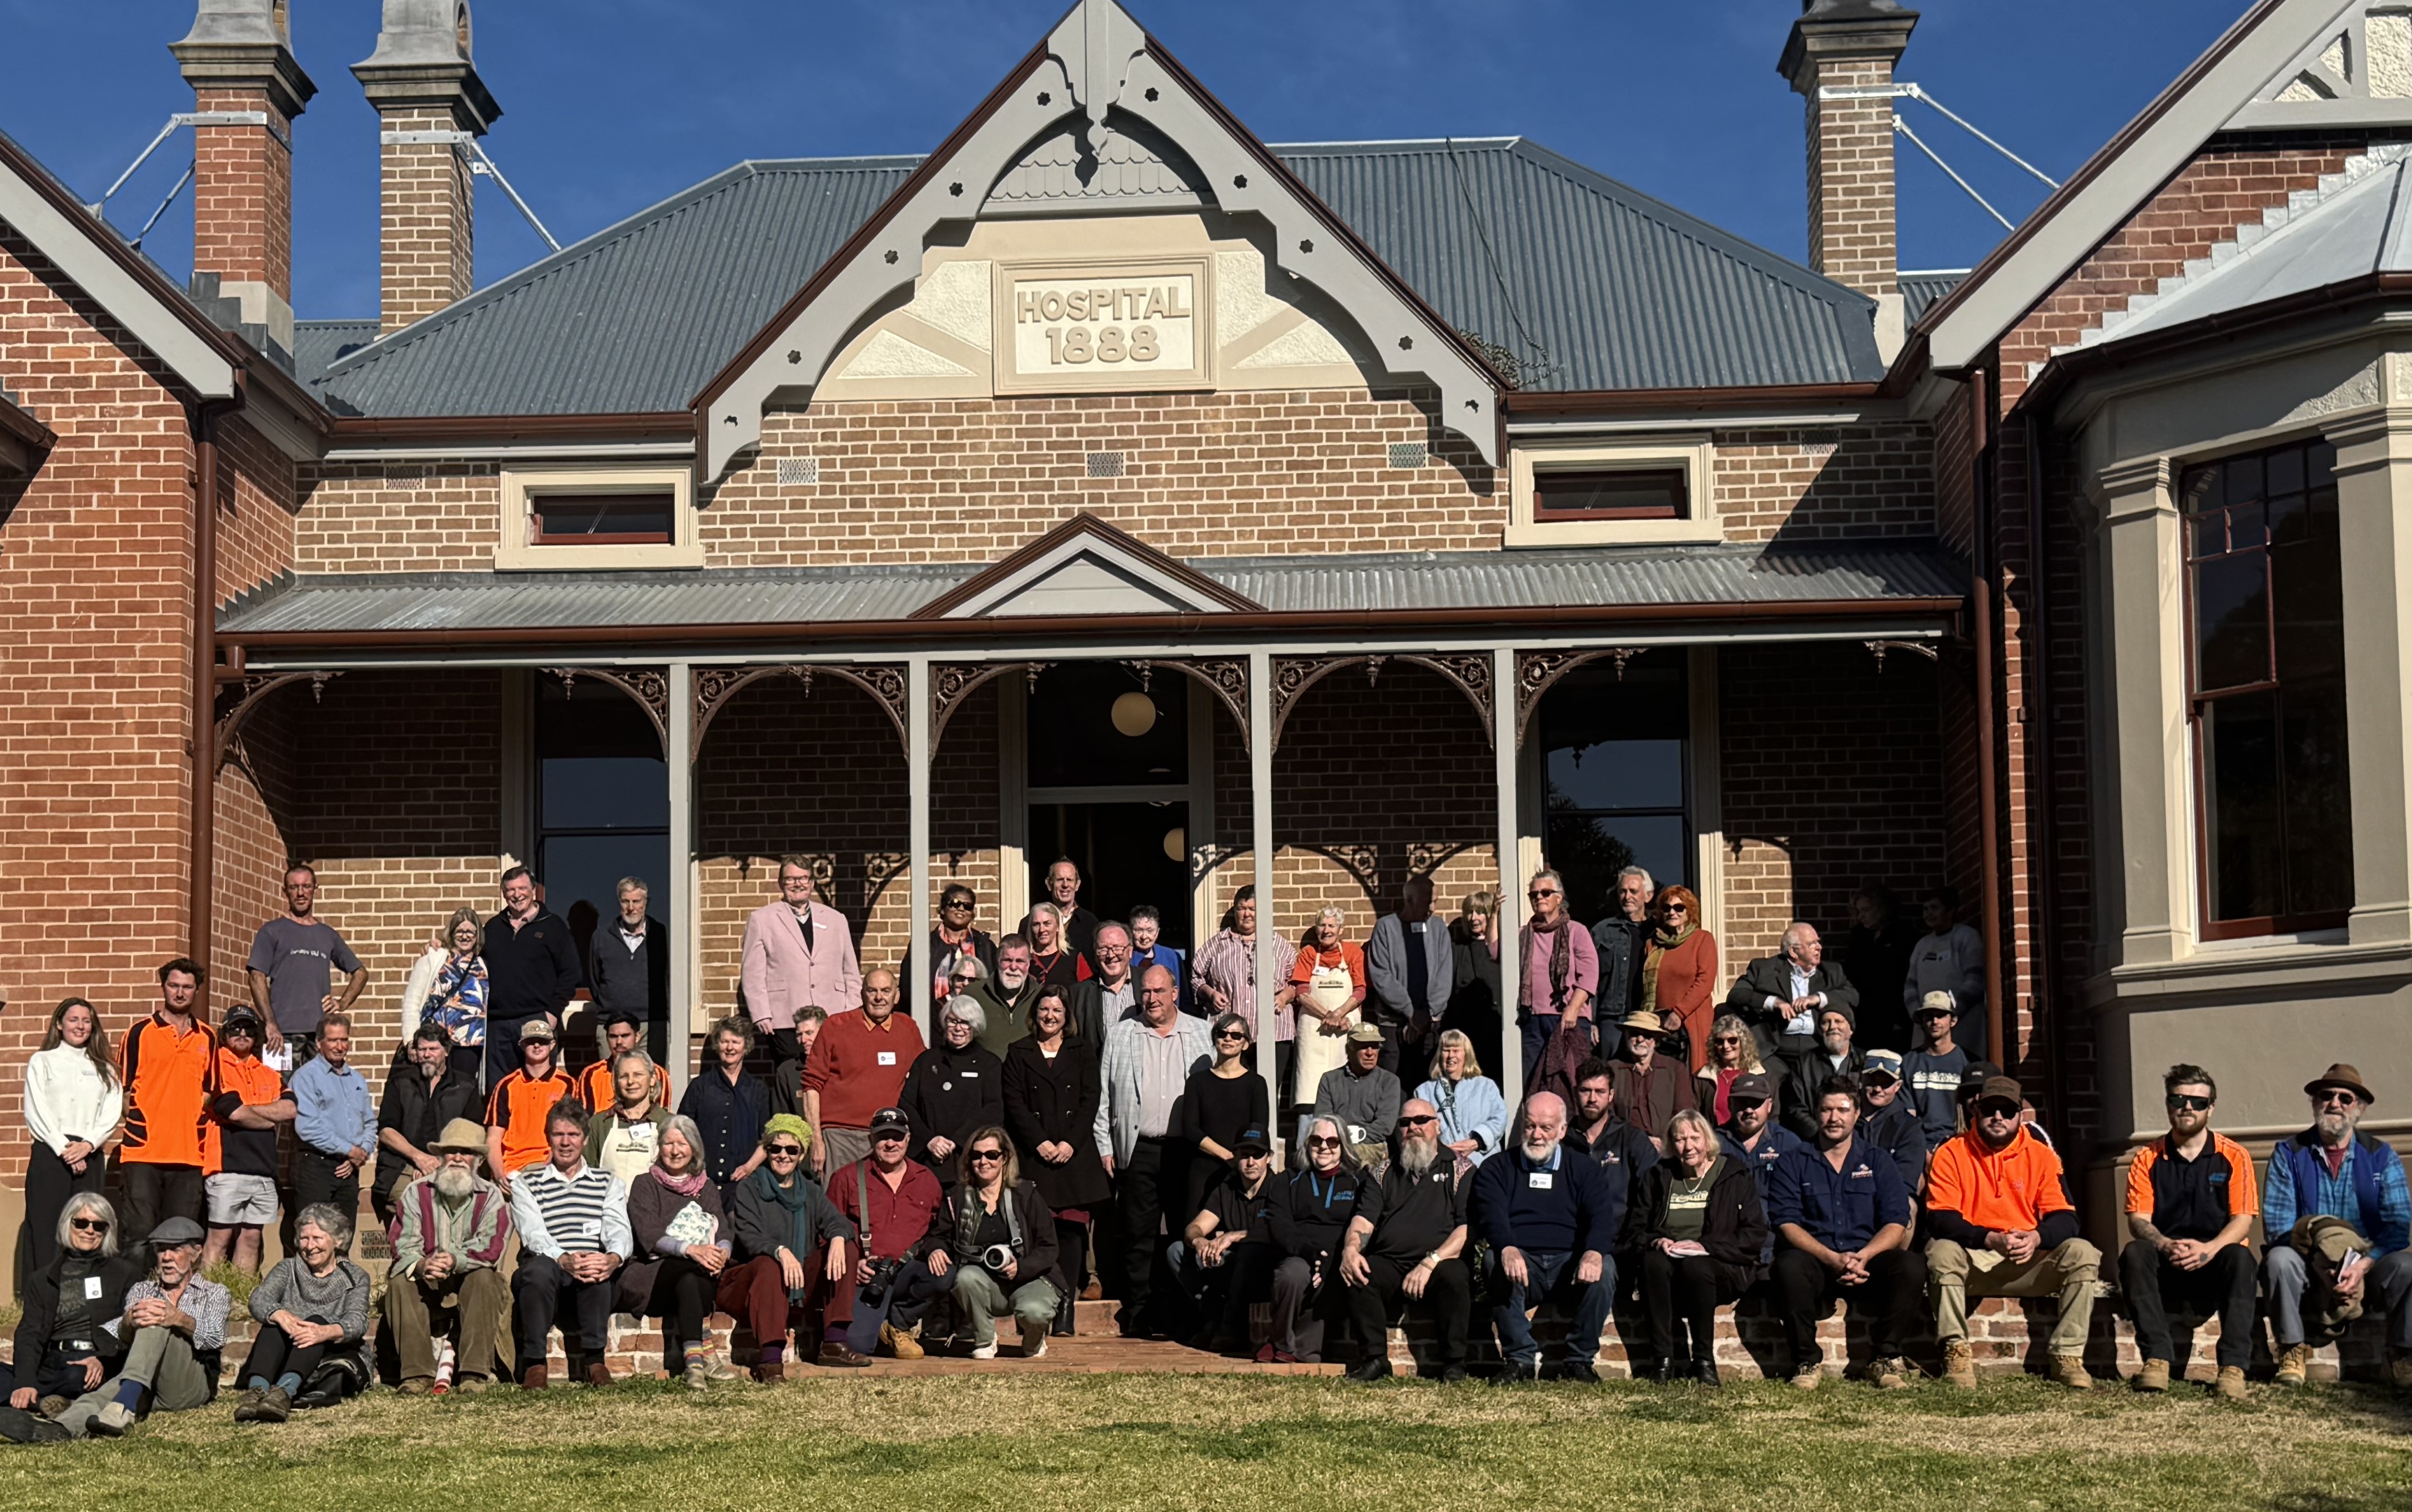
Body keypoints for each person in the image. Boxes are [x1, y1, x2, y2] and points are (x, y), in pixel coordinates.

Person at [1924, 1074, 2098, 1389]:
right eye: (1990, 1109)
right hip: (1974, 1258)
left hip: (2028, 1259)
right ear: (1976, 1111)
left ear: (2020, 1114)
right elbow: (1940, 1218)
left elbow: (2066, 1218)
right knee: (1941, 1252)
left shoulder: (2042, 1155)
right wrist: (1990, 1238)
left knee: (2082, 1252)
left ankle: (2067, 1356)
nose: (1998, 1117)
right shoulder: (1951, 1152)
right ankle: (1956, 1351)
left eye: (2007, 1110)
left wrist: (2037, 1238)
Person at [2260, 1062, 2412, 1389]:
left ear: (2360, 1108)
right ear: (2315, 1103)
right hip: (2307, 1265)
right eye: (2326, 1096)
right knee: (2278, 1260)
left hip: (2367, 1266)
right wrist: (2322, 1265)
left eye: (2346, 1098)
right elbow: (2278, 1228)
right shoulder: (2289, 1153)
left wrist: (2364, 1264)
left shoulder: (2381, 1156)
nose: (2335, 1104)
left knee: (2407, 1267)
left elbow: (2399, 1227)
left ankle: (2401, 1358)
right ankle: (2291, 1351)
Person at [1768, 1076, 1922, 1390]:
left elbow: (1896, 1220)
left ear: (1856, 1113)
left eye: (1843, 1109)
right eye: (1826, 1110)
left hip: (1868, 1261)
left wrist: (1864, 1257)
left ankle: (1885, 1358)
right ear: (1816, 1112)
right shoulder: (1793, 1161)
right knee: (1787, 1265)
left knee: (1910, 1266)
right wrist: (1831, 1258)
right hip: (1818, 1260)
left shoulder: (1877, 1160)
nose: (1834, 1118)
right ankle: (1806, 1362)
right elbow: (1786, 1222)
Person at [2122, 1064, 2257, 1399]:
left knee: (2240, 1258)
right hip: (2168, 1260)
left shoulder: (2234, 1156)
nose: (2187, 1108)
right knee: (2135, 1253)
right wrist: (2164, 1243)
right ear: (2169, 1104)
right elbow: (2138, 1219)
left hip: (2214, 1260)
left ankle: (2233, 1368)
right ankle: (2156, 1360)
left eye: (2198, 1102)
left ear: (2211, 1108)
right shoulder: (2147, 1158)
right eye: (2179, 1100)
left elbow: (2243, 1220)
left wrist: (2209, 1249)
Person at [1096, 965, 1211, 1336]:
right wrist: (1105, 1145)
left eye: (1159, 991)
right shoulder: (1121, 1034)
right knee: (1138, 1235)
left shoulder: (1200, 1032)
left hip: (1184, 1150)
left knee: (1183, 1231)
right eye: (1145, 992)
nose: (1152, 999)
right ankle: (1139, 1312)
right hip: (1138, 1147)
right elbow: (1105, 1098)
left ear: (1175, 993)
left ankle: (1183, 1311)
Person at [1472, 1092, 1617, 1382]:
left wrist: (1593, 1252)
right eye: (1530, 1126)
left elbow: (1602, 1216)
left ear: (1563, 1130)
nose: (1537, 1135)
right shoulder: (1497, 1168)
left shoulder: (1584, 1169)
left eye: (1546, 1127)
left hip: (1570, 1266)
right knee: (1493, 1260)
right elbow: (1492, 1215)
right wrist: (1507, 1247)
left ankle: (1579, 1361)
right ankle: (1519, 1360)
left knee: (1607, 1268)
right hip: (1524, 1266)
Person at [1626, 1108, 1766, 1386]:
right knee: (1653, 1263)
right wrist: (1657, 1239)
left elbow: (1754, 1234)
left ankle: (1704, 1361)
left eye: (1694, 1137)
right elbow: (1635, 1230)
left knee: (1697, 1265)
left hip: (1718, 1265)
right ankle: (1664, 1360)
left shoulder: (1733, 1174)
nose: (1688, 1146)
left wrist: (1705, 1246)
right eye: (1679, 1140)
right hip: (1668, 1260)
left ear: (1708, 1140)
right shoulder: (1659, 1176)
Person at [54, 1216, 228, 1438]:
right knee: (104, 1394)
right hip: (146, 1381)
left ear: (196, 1253)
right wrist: (129, 1322)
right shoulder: (142, 1289)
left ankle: (124, 1406)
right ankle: (60, 1428)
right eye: (161, 1250)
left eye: (175, 1250)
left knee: (154, 1316)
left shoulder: (214, 1292)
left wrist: (178, 1318)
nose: (166, 1258)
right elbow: (119, 1340)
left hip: (189, 1384)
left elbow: (217, 1337)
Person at [1341, 1100, 1473, 1382]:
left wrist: (1430, 1262)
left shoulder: (1461, 1170)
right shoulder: (1383, 1172)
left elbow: (1466, 1229)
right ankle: (1375, 1359)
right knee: (1360, 1274)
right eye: (1405, 1123)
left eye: (1421, 1120)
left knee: (1456, 1276)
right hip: (1391, 1262)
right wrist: (1351, 1249)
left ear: (1437, 1126)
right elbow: (1364, 1220)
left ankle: (1454, 1363)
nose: (1413, 1128)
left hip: (1439, 1263)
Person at [1003, 985, 1111, 1324]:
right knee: (1037, 1232)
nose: (1050, 1016)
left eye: (1057, 1011)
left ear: (1067, 1017)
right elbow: (1015, 1103)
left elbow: (1090, 1099)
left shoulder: (1082, 1050)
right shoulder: (1018, 1052)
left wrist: (1069, 1143)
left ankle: (1066, 1308)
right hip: (1034, 1154)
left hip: (1073, 1155)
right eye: (1044, 1010)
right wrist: (1039, 1142)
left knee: (1072, 1232)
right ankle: (1038, 1306)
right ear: (1035, 1014)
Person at [382, 1117, 512, 1395]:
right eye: (450, 1151)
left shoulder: (491, 1196)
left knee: (485, 1278)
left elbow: (491, 1248)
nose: (456, 1158)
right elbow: (402, 1244)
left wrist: (454, 1260)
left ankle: (474, 1374)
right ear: (439, 1156)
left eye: (465, 1152)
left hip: (468, 1278)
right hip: (428, 1278)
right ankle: (417, 1375)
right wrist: (421, 1265)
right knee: (400, 1281)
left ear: (478, 1159)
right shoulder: (417, 1192)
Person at [723, 1113, 859, 1378]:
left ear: (802, 1155)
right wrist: (780, 1251)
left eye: (791, 1149)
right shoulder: (749, 1188)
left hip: (797, 1281)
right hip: (752, 1281)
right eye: (776, 1148)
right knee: (767, 1264)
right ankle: (771, 1359)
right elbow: (750, 1237)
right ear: (767, 1151)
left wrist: (839, 1239)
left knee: (847, 1247)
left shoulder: (810, 1189)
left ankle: (834, 1342)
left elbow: (836, 1221)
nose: (783, 1155)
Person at [510, 1098, 633, 1388]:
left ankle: (595, 1361)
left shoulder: (607, 1182)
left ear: (585, 1139)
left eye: (573, 1135)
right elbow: (533, 1234)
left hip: (587, 1268)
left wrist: (613, 1257)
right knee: (538, 1270)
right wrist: (563, 1258)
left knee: (597, 1266)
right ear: (548, 1138)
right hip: (547, 1266)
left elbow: (619, 1228)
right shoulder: (527, 1182)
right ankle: (535, 1364)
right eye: (558, 1134)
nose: (566, 1143)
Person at [617, 1115, 743, 1387]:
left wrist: (721, 1251)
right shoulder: (644, 1184)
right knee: (687, 1267)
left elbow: (722, 1229)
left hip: (697, 1275)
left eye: (682, 1143)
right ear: (659, 1147)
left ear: (694, 1148)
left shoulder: (706, 1186)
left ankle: (695, 1364)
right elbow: (649, 1235)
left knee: (690, 1277)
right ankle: (704, 1356)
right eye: (668, 1143)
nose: (675, 1151)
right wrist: (691, 1249)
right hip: (652, 1275)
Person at [829, 1106, 955, 1360]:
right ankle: (878, 1325)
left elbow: (939, 1230)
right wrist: (854, 1263)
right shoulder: (847, 1178)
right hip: (868, 1275)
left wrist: (937, 1248)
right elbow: (828, 1231)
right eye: (883, 1136)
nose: (890, 1143)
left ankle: (898, 1324)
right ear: (871, 1139)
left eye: (897, 1137)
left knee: (943, 1272)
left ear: (908, 1139)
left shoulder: (926, 1180)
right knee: (857, 1345)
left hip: (909, 1272)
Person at [229, 1203, 370, 1422]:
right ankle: (257, 1393)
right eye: (304, 1238)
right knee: (275, 1321)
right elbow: (259, 1299)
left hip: (333, 1351)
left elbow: (358, 1321)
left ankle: (284, 1394)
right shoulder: (288, 1268)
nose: (310, 1246)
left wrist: (324, 1331)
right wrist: (279, 1314)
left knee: (313, 1322)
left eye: (317, 1238)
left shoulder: (356, 1276)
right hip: (288, 1348)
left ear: (338, 1241)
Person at [4, 1193, 142, 1414]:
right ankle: (43, 1400)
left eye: (99, 1226)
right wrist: (25, 1382)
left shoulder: (125, 1274)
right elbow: (30, 1333)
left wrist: (102, 1360)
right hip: (52, 1363)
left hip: (92, 1364)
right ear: (68, 1224)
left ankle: (39, 1401)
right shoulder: (42, 1279)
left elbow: (130, 1327)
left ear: (108, 1231)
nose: (90, 1230)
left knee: (78, 1378)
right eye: (81, 1223)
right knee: (13, 1376)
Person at [120, 959, 218, 1245]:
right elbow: (124, 1092)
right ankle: (137, 1292)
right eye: (174, 986)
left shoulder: (208, 1037)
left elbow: (209, 1090)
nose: (179, 993)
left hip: (189, 1155)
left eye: (187, 987)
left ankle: (176, 1293)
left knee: (181, 1240)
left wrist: (190, 1119)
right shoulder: (138, 1033)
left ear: (197, 990)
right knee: (138, 1238)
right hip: (143, 1153)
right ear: (163, 987)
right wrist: (145, 1123)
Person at [943, 1128, 1064, 1359]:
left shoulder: (1026, 1194)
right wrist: (936, 1249)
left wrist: (1022, 1267)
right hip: (985, 1283)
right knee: (965, 1278)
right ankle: (985, 1340)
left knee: (1034, 1313)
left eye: (991, 1155)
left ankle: (1034, 1341)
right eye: (976, 1156)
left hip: (1030, 1279)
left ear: (1005, 1158)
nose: (983, 1161)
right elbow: (940, 1235)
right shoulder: (957, 1197)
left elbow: (1048, 1246)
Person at [23, 998, 121, 1276]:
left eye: (86, 1021)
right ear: (59, 1024)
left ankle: (82, 1292)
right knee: (46, 1225)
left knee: (88, 1224)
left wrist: (88, 1145)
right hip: (50, 1152)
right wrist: (65, 1149)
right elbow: (36, 1109)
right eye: (73, 1020)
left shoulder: (106, 1068)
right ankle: (44, 1293)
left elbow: (110, 1113)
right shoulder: (43, 1061)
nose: (80, 1026)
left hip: (89, 1154)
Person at [741, 857, 863, 1075]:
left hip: (832, 1015)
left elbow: (851, 971)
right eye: (791, 879)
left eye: (803, 878)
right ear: (781, 883)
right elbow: (752, 973)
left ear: (812, 883)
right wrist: (761, 1013)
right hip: (784, 1017)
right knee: (792, 1075)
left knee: (834, 1074)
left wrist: (852, 1012)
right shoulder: (762, 919)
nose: (798, 884)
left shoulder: (836, 919)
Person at [1260, 1114, 1361, 1364]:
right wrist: (1311, 1254)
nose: (1324, 1146)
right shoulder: (1288, 1180)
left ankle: (1298, 1349)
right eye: (1317, 1140)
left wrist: (1331, 1257)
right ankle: (1281, 1342)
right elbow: (1280, 1225)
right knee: (1291, 1275)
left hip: (1339, 1256)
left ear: (1343, 1145)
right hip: (1300, 1255)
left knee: (1309, 1358)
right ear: (1307, 1144)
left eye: (1332, 1141)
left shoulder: (1360, 1181)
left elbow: (1363, 1223)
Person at [804, 969, 923, 1180]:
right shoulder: (836, 1026)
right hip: (840, 1136)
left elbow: (923, 1081)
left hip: (888, 1136)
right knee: (837, 1205)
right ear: (862, 994)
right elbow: (811, 1085)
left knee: (881, 1207)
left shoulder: (908, 1028)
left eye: (886, 991)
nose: (879, 997)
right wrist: (816, 1140)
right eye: (872, 991)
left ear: (897, 996)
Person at [245, 863, 367, 1063]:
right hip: (280, 1036)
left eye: (306, 887)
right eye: (294, 888)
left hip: (320, 1038)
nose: (301, 893)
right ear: (285, 892)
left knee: (320, 1092)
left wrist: (343, 1002)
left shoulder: (327, 935)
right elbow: (256, 977)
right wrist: (270, 1024)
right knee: (281, 1091)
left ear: (315, 889)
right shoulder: (272, 931)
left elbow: (360, 972)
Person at [201, 1007, 292, 1273]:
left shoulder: (268, 1072)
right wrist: (268, 1115)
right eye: (235, 1028)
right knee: (220, 1238)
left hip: (263, 1170)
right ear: (224, 1033)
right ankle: (206, 1297)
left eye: (249, 1030)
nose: (242, 1034)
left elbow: (290, 1109)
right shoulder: (215, 1065)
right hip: (226, 1167)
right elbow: (231, 1111)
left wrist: (249, 1112)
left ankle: (241, 1299)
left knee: (252, 1239)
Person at [1177, 1127, 1278, 1353]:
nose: (1250, 1162)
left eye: (1258, 1155)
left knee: (1247, 1256)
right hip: (1229, 1264)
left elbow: (1278, 1231)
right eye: (1244, 1155)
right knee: (1177, 1251)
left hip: (1263, 1267)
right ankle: (1213, 1315)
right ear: (1236, 1157)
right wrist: (1200, 1242)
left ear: (1269, 1158)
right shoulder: (1226, 1189)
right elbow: (1195, 1227)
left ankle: (1230, 1329)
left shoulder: (1280, 1187)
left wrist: (1235, 1236)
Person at [482, 865, 582, 1087]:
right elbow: (472, 964)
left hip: (536, 1019)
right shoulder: (492, 929)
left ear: (533, 890)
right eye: (511, 890)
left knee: (538, 1086)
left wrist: (553, 1013)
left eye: (522, 888)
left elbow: (570, 973)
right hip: (498, 1024)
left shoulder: (553, 927)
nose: (517, 895)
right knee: (499, 1090)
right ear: (504, 893)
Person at [374, 1022, 481, 1227]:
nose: (427, 1054)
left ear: (447, 1051)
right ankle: (416, 1259)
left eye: (433, 1049)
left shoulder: (465, 1086)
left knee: (450, 1211)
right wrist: (419, 1158)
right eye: (422, 1049)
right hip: (402, 1165)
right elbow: (386, 1131)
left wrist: (440, 1165)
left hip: (450, 1165)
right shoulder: (401, 1081)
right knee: (415, 1207)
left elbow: (472, 1135)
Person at [1724, 922, 1858, 1083]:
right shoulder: (1764, 969)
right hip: (1776, 1047)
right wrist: (1774, 1003)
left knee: (1822, 1082)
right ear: (1794, 951)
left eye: (1818, 942)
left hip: (1817, 1044)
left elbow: (1852, 996)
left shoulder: (1831, 972)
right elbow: (1736, 994)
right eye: (1812, 944)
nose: (1819, 947)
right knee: (1767, 1083)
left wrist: (1818, 998)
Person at [289, 1011, 375, 1249]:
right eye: (333, 1040)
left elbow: (370, 1123)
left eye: (344, 1040)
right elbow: (308, 1127)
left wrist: (361, 1153)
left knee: (343, 1239)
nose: (340, 1046)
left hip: (350, 1169)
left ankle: (343, 1286)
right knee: (313, 1239)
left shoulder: (356, 1079)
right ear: (319, 1043)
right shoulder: (306, 1077)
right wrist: (350, 1150)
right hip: (316, 1166)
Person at [900, 997, 1005, 1181]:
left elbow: (993, 1110)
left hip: (970, 1160)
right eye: (953, 1021)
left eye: (965, 1023)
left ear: (975, 1025)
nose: (958, 1028)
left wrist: (957, 1142)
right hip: (928, 1159)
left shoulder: (989, 1064)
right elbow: (907, 1105)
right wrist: (930, 1141)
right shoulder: (926, 1061)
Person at [1195, 887, 1283, 1096]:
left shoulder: (1278, 944)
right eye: (1241, 908)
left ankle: (1266, 1128)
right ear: (1235, 912)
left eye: (1252, 909)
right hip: (1229, 1033)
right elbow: (1196, 976)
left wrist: (1285, 996)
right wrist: (1210, 993)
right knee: (1229, 1089)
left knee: (1267, 1091)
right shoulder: (1217, 944)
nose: (1247, 914)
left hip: (1271, 1031)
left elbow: (1295, 981)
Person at [1280, 906, 1367, 1116]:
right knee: (1310, 1091)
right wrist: (1327, 1015)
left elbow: (1361, 990)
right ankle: (1306, 1140)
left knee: (1346, 1091)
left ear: (1341, 929)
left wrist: (1339, 1014)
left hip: (1345, 1031)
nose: (1326, 930)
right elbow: (1301, 992)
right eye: (1322, 925)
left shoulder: (1354, 953)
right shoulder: (1309, 954)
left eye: (1332, 925)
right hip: (1314, 1034)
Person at [1182, 1012, 1271, 1217]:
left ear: (1246, 1044)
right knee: (1197, 1233)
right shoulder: (1197, 1082)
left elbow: (1258, 1129)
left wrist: (1238, 1161)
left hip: (1241, 1171)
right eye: (1223, 1034)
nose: (1229, 1039)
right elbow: (1190, 1128)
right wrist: (1226, 1155)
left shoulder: (1256, 1084)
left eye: (1236, 1035)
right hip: (1203, 1168)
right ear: (1215, 1039)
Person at [1518, 869, 1599, 1089]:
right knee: (1532, 1083)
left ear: (1559, 898)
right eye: (1533, 895)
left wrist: (1572, 1009)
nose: (1539, 898)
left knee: (1572, 1082)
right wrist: (1496, 912)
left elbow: (1590, 976)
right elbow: (1497, 952)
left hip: (1568, 1018)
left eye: (1545, 892)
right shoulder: (1523, 935)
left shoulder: (1576, 931)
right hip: (1533, 1020)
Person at [1366, 875, 1453, 1075]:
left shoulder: (1439, 928)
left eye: (1435, 901)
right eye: (1428, 901)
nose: (1432, 907)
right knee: (1395, 1088)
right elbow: (1382, 975)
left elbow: (1444, 976)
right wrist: (1410, 1012)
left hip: (1430, 1025)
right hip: (1392, 1025)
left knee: (1426, 1087)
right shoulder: (1385, 928)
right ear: (1410, 900)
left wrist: (1426, 1014)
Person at [680, 1016, 771, 1196]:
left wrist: (749, 1167)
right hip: (702, 1184)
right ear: (717, 1045)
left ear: (746, 1047)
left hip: (745, 1185)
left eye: (736, 1042)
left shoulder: (758, 1089)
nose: (730, 1048)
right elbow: (682, 1131)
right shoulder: (700, 1087)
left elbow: (768, 1138)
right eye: (725, 1042)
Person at [486, 1018, 575, 1197]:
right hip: (511, 1172)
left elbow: (572, 1136)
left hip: (550, 1168)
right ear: (521, 1045)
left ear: (552, 1045)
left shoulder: (568, 1085)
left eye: (542, 1041)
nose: (536, 1045)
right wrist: (499, 1175)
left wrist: (551, 1167)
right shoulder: (506, 1085)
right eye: (530, 1041)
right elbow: (493, 1139)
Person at [399, 906, 487, 1083]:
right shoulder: (434, 957)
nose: (465, 936)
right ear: (451, 932)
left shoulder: (483, 964)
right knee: (430, 1090)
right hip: (434, 1043)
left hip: (469, 1045)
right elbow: (412, 1001)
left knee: (460, 1094)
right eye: (460, 931)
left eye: (471, 931)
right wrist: (411, 1040)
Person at [586, 878, 666, 1057]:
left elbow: (670, 978)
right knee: (612, 1081)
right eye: (626, 901)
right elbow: (594, 979)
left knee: (651, 1080)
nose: (631, 907)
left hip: (652, 1024)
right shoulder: (601, 937)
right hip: (612, 1024)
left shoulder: (661, 935)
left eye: (637, 901)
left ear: (646, 903)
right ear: (619, 902)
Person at [1640, 885, 1718, 1071]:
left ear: (1689, 911)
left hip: (1691, 1021)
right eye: (1667, 908)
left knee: (1692, 1076)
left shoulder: (1702, 940)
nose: (1672, 912)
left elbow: (1705, 981)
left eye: (1679, 908)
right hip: (1657, 1022)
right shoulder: (1653, 944)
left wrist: (1679, 1014)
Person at [1905, 886, 1986, 1060]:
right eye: (1925, 909)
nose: (1928, 914)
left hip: (1963, 1026)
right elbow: (1910, 985)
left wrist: (1950, 1013)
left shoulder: (1967, 937)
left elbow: (1975, 980)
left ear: (1950, 911)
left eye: (1934, 908)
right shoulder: (1922, 945)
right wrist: (1918, 1014)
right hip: (1926, 1025)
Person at [1414, 1029, 1507, 1167]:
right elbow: (1419, 1128)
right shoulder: (1424, 1091)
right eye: (1446, 1050)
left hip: (1482, 1161)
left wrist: (1477, 1142)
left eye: (1456, 1050)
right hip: (1442, 1164)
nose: (1451, 1055)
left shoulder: (1486, 1086)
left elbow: (1500, 1118)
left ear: (1466, 1055)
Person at [1844, 884, 1918, 1053]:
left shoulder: (1903, 936)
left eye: (1866, 910)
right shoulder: (1859, 938)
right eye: (1859, 912)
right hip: (1864, 1015)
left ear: (1881, 908)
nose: (1862, 916)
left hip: (1894, 1015)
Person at [1609, 1010, 1696, 1154]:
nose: (1640, 1040)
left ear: (1656, 1041)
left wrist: (1669, 1145)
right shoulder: (1612, 1069)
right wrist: (1639, 1140)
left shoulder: (1675, 1069)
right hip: (1624, 1148)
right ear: (1626, 1037)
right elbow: (1608, 1116)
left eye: (1647, 1035)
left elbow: (1684, 1114)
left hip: (1666, 1149)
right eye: (1634, 1034)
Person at [1315, 1024, 1401, 1168]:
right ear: (1350, 1048)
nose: (1370, 1052)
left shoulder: (1389, 1081)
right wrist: (1341, 1139)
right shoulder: (1330, 1080)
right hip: (1335, 1144)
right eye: (1364, 1046)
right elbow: (1323, 1120)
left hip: (1371, 1146)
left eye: (1374, 1047)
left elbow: (1384, 1127)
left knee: (1356, 1157)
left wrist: (1353, 1136)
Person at [1588, 865, 1655, 1051]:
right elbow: (1590, 981)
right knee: (1611, 1074)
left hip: (1648, 1018)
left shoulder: (1658, 932)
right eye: (1623, 891)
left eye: (1634, 891)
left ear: (1648, 896)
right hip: (1611, 1019)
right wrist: (1591, 1022)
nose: (1627, 897)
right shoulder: (1602, 932)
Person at [1564, 1057, 1660, 1183]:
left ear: (1611, 1095)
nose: (1592, 1099)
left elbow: (1652, 1188)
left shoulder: (1632, 1139)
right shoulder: (1563, 1140)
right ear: (1576, 1093)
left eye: (1600, 1092)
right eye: (1586, 1091)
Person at [586, 1051, 674, 1185]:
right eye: (624, 1076)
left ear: (652, 1079)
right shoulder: (599, 1124)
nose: (631, 1082)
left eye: (638, 1075)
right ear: (616, 1082)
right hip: (608, 1204)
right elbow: (587, 1173)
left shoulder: (669, 1124)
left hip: (655, 1205)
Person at [1447, 890, 1504, 1093]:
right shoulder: (1457, 949)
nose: (1473, 918)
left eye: (1480, 912)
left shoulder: (1503, 949)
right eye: (1469, 912)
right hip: (1466, 1029)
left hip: (1495, 1028)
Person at [1784, 1005, 1867, 1141]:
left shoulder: (1865, 1062)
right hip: (1814, 1141)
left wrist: (1850, 1138)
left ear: (1851, 1029)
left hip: (1857, 1141)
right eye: (1826, 1022)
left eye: (1838, 1021)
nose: (1832, 1027)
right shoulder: (1803, 1064)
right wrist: (1821, 1136)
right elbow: (1796, 1108)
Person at [1901, 992, 1971, 1153]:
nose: (1935, 1022)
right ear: (1921, 1021)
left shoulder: (1968, 1062)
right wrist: (1922, 1154)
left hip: (1961, 1146)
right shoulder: (1908, 1063)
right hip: (1920, 1147)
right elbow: (1908, 1118)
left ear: (1953, 1021)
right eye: (1929, 1016)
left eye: (1941, 1016)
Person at [1855, 1049, 1928, 1192]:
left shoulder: (1909, 1128)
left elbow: (1905, 1183)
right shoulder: (1845, 1120)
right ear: (1861, 1080)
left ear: (1898, 1086)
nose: (1878, 1089)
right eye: (1872, 1081)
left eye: (1885, 1083)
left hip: (1888, 1202)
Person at [919, 884, 999, 1009]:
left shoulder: (985, 946)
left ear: (972, 914)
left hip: (976, 1017)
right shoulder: (924, 945)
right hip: (934, 1019)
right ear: (942, 909)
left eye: (967, 906)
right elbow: (909, 987)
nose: (961, 908)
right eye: (955, 903)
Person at [1067, 920, 1139, 1048]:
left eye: (1118, 948)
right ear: (1095, 954)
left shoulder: (1148, 983)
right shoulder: (1078, 994)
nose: (1111, 955)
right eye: (1103, 949)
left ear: (1130, 951)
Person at [964, 935, 1040, 1056]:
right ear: (998, 961)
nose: (1014, 967)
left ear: (1028, 965)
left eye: (1020, 961)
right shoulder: (973, 996)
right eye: (1007, 960)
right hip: (985, 1072)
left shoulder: (1041, 998)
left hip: (1026, 1073)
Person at [580, 1014, 671, 1113]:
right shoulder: (591, 1074)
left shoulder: (657, 1073)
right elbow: (584, 1118)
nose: (619, 1042)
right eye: (613, 1037)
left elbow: (661, 1118)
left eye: (625, 1036)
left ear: (637, 1037)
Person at [1026, 858, 1101, 973]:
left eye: (1070, 880)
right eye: (1060, 880)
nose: (1065, 885)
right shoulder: (1031, 922)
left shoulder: (1090, 923)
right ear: (1049, 884)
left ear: (1077, 885)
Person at [1694, 1015, 1765, 1127]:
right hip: (1715, 1138)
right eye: (1719, 1042)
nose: (1726, 1046)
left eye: (1732, 1041)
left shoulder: (1759, 1074)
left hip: (1749, 1138)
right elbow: (1695, 1114)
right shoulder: (1704, 1077)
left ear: (1743, 1042)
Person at [1128, 905, 1190, 1017]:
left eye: (1150, 931)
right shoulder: (1126, 956)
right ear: (1131, 931)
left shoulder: (1172, 956)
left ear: (1157, 932)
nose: (1144, 936)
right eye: (1139, 930)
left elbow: (1184, 997)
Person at [1026, 903, 1080, 991]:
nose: (1042, 930)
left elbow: (1088, 993)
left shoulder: (1075, 958)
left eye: (1047, 924)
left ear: (1058, 926)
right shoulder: (1024, 960)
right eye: (1036, 924)